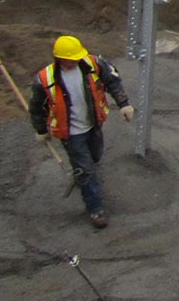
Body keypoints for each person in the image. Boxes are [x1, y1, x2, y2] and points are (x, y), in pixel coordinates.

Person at [28, 34, 134, 229]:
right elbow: (36, 107)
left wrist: (124, 104)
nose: (75, 61)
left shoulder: (93, 64)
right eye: (71, 59)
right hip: (71, 133)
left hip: (93, 124)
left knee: (95, 156)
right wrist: (41, 129)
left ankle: (85, 175)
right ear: (60, 59)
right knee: (86, 169)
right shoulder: (46, 79)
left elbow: (113, 81)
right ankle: (95, 208)